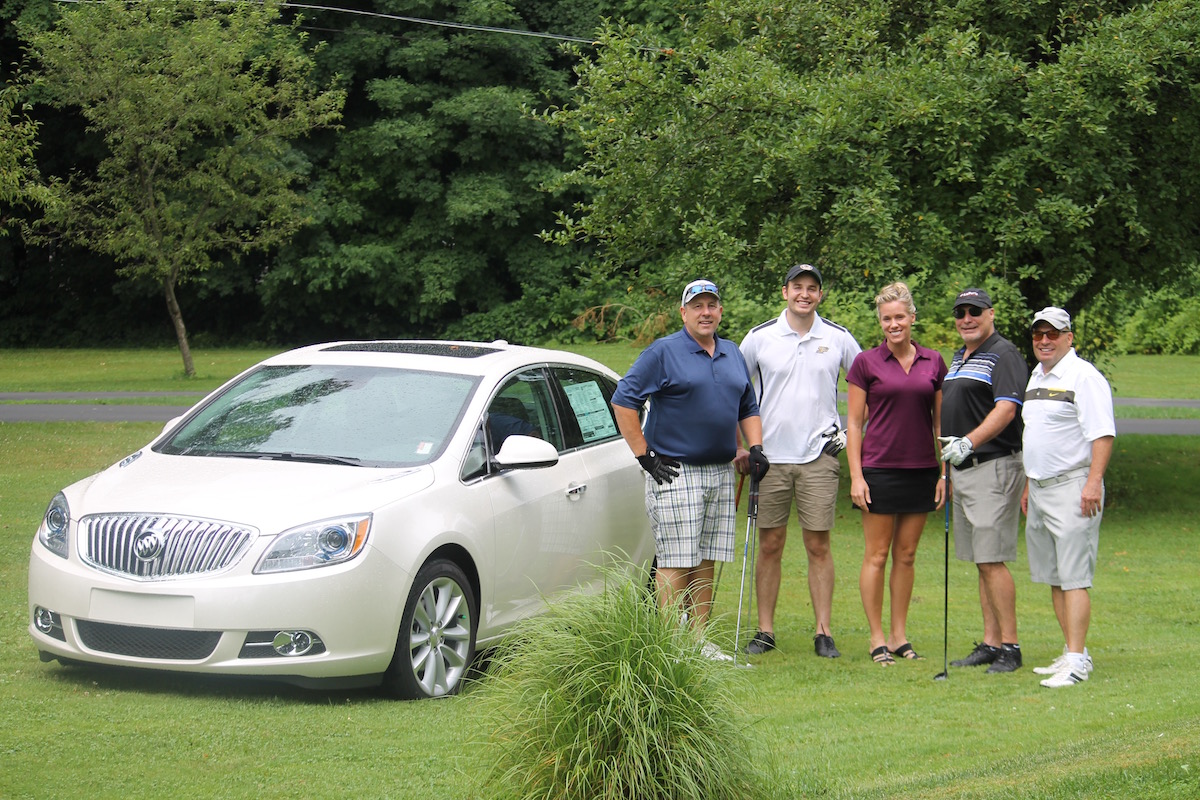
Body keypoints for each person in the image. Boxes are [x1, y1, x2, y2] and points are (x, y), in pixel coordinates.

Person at [612, 279, 769, 661]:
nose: (705, 312)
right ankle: (670, 646)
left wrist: (756, 446)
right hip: (673, 469)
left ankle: (698, 642)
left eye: (711, 305)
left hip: (720, 469)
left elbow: (747, 405)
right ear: (683, 313)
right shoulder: (663, 352)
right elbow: (623, 400)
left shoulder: (732, 353)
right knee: (675, 558)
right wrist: (644, 456)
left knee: (705, 556)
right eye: (697, 306)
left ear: (720, 310)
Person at [735, 263, 861, 658]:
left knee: (818, 545)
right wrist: (742, 445)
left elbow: (867, 386)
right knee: (770, 544)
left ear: (820, 295)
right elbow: (734, 393)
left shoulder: (838, 337)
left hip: (818, 458)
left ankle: (823, 631)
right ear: (785, 291)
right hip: (769, 457)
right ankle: (765, 630)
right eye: (797, 287)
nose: (804, 294)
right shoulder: (759, 338)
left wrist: (845, 435)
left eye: (812, 288)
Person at [846, 281, 947, 666]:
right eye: (887, 319)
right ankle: (876, 639)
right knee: (877, 554)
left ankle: (899, 635)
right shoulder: (866, 363)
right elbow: (854, 424)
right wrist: (857, 476)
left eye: (900, 317)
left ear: (912, 318)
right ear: (881, 322)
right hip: (878, 471)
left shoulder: (933, 361)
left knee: (906, 556)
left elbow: (941, 425)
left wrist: (944, 474)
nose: (893, 324)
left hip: (921, 470)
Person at [1021, 307, 1115, 688]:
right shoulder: (1036, 375)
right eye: (1038, 334)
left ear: (1069, 337)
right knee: (1056, 577)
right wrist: (1029, 483)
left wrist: (1093, 482)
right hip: (1041, 489)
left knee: (1075, 577)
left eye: (1053, 334)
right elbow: (1039, 435)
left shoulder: (1084, 377)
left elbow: (1102, 435)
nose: (1044, 340)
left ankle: (1076, 662)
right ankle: (1072, 651)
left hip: (1074, 488)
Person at [937, 288, 1028, 673]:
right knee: (980, 561)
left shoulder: (1004, 353)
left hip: (993, 466)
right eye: (961, 312)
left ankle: (1011, 646)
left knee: (992, 559)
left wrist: (969, 441)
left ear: (990, 313)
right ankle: (991, 642)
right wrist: (949, 468)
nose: (967, 318)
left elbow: (1007, 409)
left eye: (975, 311)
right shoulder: (961, 356)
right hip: (965, 469)